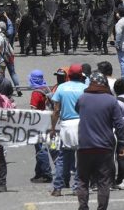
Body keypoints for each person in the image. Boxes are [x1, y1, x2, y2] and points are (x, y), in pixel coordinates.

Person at [75, 72, 124, 210]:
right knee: (104, 182)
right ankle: (102, 208)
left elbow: (77, 109)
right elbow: (120, 125)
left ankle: (83, 207)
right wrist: (122, 144)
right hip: (105, 147)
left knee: (83, 180)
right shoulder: (111, 100)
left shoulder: (82, 98)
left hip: (84, 145)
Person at [49, 64, 87, 196]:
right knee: (81, 158)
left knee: (62, 158)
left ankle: (58, 188)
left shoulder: (61, 88)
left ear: (68, 75)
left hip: (66, 125)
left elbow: (56, 110)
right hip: (81, 124)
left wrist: (53, 128)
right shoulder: (85, 88)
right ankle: (77, 187)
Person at [29, 70, 53, 184]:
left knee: (41, 149)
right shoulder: (46, 88)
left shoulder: (36, 93)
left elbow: (33, 110)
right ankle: (38, 173)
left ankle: (46, 174)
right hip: (49, 122)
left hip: (39, 124)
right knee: (42, 149)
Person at [0, 19, 22, 97]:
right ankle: (18, 89)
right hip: (8, 57)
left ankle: (3, 91)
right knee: (13, 73)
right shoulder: (4, 35)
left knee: (1, 76)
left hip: (1, 59)